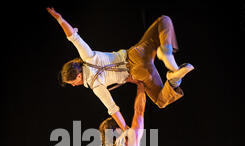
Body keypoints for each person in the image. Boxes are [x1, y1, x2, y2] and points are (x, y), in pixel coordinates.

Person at [47, 7, 194, 132]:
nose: (73, 85)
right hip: (136, 53)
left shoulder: (96, 86)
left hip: (137, 72)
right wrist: (59, 18)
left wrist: (126, 130)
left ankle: (174, 81)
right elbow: (73, 37)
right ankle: (166, 51)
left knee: (161, 101)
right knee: (164, 21)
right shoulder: (88, 57)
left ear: (78, 76)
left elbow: (113, 109)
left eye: (72, 82)